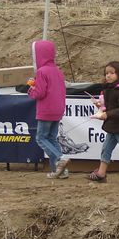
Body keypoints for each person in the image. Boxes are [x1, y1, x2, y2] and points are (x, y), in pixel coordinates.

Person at [28, 40, 70, 179]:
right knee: (52, 138)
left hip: (46, 109)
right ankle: (60, 171)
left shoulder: (41, 71)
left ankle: (60, 158)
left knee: (41, 138)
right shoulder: (58, 71)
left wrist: (31, 89)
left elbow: (40, 93)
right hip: (58, 109)